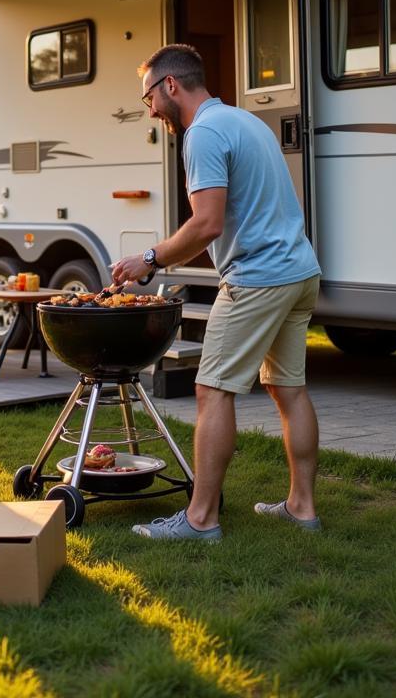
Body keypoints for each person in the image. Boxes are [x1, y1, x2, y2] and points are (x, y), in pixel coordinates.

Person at [111, 44, 323, 541]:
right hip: (298, 270)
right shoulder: (244, 121)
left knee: (211, 391)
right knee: (288, 388)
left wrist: (148, 260)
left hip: (257, 277)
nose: (150, 110)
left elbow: (206, 224)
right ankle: (302, 508)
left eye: (148, 98)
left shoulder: (202, 133)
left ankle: (201, 519)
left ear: (170, 85)